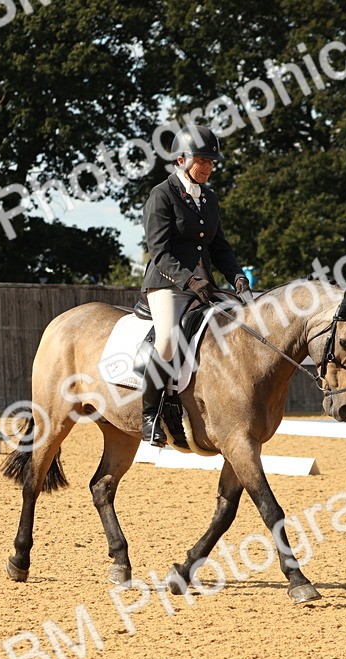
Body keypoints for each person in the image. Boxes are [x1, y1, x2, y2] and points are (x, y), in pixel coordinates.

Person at [140, 124, 250, 446]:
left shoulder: (209, 199)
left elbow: (220, 247)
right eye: (202, 160)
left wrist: (238, 277)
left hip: (203, 285)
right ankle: (150, 415)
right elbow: (159, 252)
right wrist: (189, 279)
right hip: (166, 284)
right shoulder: (161, 195)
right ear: (181, 160)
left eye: (211, 162)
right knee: (168, 341)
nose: (208, 167)